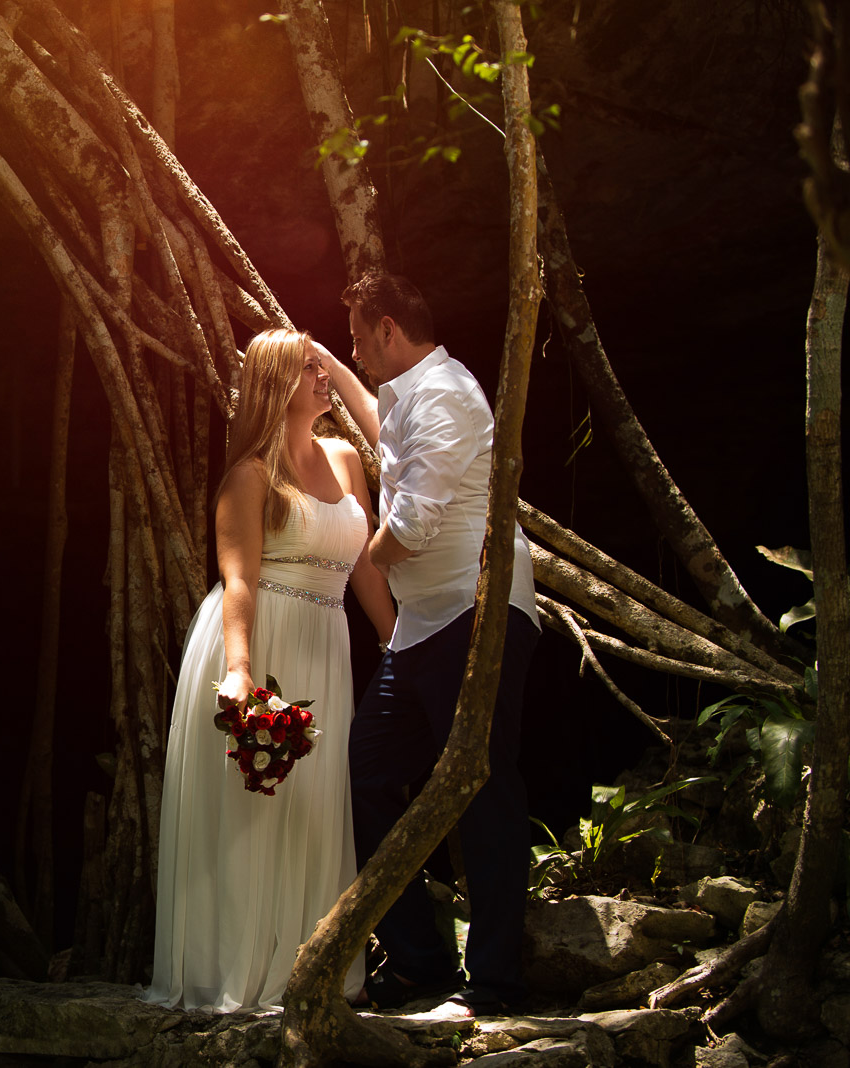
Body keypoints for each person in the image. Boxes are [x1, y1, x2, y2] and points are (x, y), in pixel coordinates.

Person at [145, 327, 397, 1013]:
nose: (325, 380)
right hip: (262, 641)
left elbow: (366, 565)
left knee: (320, 810)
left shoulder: (346, 460)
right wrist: (239, 671)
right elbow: (239, 582)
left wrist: (396, 641)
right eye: (310, 370)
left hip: (328, 641)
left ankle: (313, 970)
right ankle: (242, 972)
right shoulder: (250, 476)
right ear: (276, 384)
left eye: (324, 368)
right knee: (260, 811)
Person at [317, 270, 540, 1017]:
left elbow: (407, 532)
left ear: (388, 328)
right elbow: (389, 438)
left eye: (357, 336)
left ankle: (497, 979)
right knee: (370, 773)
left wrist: (356, 545)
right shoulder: (404, 394)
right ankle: (420, 960)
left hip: (475, 613)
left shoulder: (446, 394)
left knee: (482, 786)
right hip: (421, 628)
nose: (358, 349)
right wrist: (333, 366)